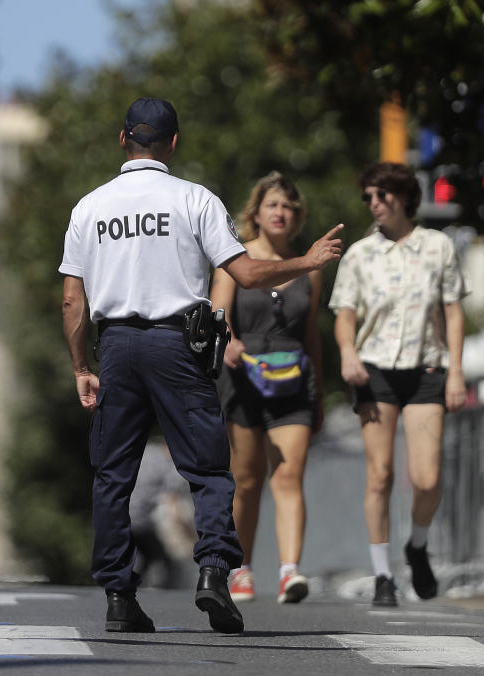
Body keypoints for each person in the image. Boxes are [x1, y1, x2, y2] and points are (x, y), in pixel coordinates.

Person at [58, 97, 343, 633]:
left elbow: (73, 300)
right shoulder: (195, 200)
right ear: (174, 142)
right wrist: (308, 260)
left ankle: (119, 594)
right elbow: (248, 274)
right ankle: (214, 572)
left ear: (123, 141)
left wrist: (81, 366)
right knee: (209, 470)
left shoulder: (89, 208)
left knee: (113, 475)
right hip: (176, 347)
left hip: (117, 347)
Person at [329, 161, 468, 606]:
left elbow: (452, 311)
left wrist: (457, 371)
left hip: (427, 367)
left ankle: (418, 545)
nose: (374, 204)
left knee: (426, 479)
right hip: (376, 370)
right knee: (381, 475)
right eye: (368, 196)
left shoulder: (438, 247)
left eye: (382, 195)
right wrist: (348, 354)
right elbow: (344, 314)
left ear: (405, 196)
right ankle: (383, 574)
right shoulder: (359, 254)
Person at [210, 172, 323, 605]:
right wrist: (230, 344)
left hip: (293, 379)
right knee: (247, 478)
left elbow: (312, 332)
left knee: (290, 473)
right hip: (243, 378)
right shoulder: (234, 260)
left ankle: (290, 571)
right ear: (256, 212)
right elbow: (218, 314)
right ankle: (240, 569)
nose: (282, 212)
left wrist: (319, 389)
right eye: (273, 204)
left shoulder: (307, 268)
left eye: (290, 207)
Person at [129, 437, 194, 589]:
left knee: (140, 556)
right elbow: (172, 501)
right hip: (142, 522)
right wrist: (190, 534)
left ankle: (134, 584)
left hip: (122, 515)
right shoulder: (171, 466)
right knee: (162, 559)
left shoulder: (146, 452)